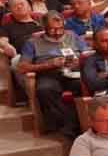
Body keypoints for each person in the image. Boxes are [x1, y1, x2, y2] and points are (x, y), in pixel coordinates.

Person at [18, 11, 86, 141]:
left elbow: (86, 54)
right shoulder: (33, 42)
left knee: (84, 85)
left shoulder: (73, 36)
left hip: (73, 73)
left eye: (60, 28)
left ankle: (71, 125)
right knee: (45, 90)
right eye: (53, 29)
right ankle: (71, 125)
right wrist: (48, 65)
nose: (58, 32)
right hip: (48, 74)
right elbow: (22, 67)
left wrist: (79, 61)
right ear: (44, 28)